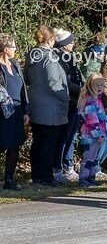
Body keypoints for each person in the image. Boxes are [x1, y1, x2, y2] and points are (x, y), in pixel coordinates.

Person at [24, 26, 69, 186]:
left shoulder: (31, 55)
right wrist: (66, 98)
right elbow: (54, 83)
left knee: (38, 142)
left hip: (36, 105)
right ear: (50, 40)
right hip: (51, 107)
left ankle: (37, 175)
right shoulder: (50, 57)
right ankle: (45, 177)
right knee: (49, 144)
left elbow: (27, 79)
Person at [0, 34, 30, 190]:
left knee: (15, 146)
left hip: (18, 110)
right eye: (13, 47)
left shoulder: (15, 64)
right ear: (5, 49)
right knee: (2, 143)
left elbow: (23, 88)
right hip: (3, 112)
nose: (15, 49)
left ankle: (9, 180)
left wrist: (26, 110)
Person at [54, 28, 82, 182]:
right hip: (68, 101)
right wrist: (83, 90)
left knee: (71, 136)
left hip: (76, 101)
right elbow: (66, 81)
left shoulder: (69, 57)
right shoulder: (60, 59)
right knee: (64, 137)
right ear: (64, 44)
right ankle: (59, 168)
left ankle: (68, 166)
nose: (73, 44)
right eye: (70, 42)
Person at [77, 74, 107, 186]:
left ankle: (91, 177)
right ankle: (83, 178)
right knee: (89, 157)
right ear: (90, 85)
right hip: (91, 136)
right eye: (97, 85)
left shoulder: (99, 99)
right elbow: (91, 120)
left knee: (95, 158)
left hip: (99, 134)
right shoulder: (91, 100)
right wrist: (98, 134)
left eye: (102, 85)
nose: (100, 87)